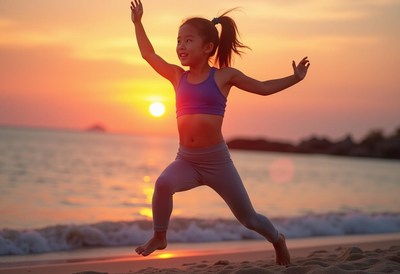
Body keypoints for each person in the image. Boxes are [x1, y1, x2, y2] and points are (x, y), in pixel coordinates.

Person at [130, 0, 309, 266]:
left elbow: (262, 87)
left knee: (249, 219)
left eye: (188, 40)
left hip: (217, 162)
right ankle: (159, 236)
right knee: (163, 184)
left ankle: (277, 239)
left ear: (208, 47)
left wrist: (294, 78)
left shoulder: (223, 77)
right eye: (178, 40)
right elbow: (149, 55)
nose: (180, 46)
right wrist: (138, 23)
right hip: (186, 160)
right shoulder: (177, 76)